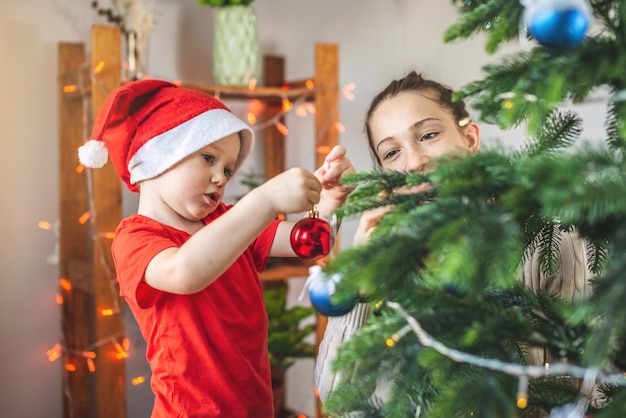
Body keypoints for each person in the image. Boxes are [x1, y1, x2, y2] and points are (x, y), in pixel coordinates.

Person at [314, 71, 593, 408]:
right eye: (391, 153)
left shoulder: (547, 235)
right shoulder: (388, 259)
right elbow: (336, 396)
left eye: (428, 134)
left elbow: (599, 381)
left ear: (471, 138)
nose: (415, 161)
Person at [78, 79, 354, 418]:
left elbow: (307, 243)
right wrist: (265, 200)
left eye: (227, 168)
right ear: (158, 157)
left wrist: (329, 203)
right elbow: (185, 272)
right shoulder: (136, 237)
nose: (222, 178)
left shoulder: (225, 220)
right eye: (208, 158)